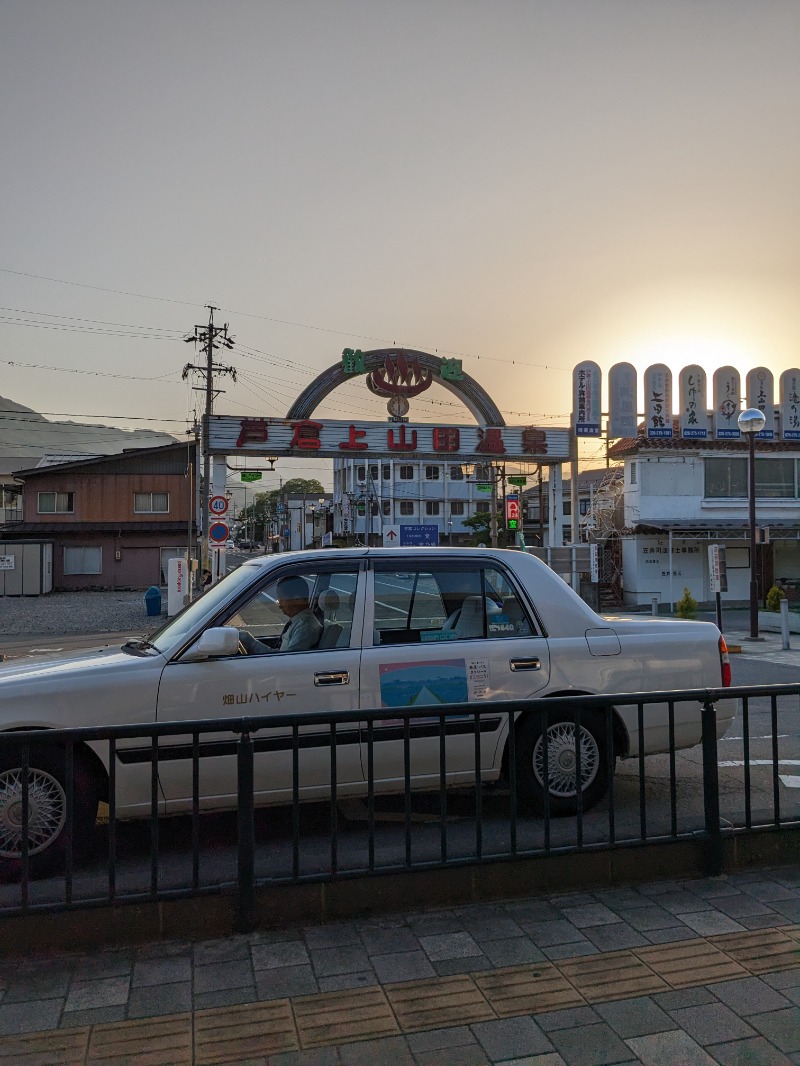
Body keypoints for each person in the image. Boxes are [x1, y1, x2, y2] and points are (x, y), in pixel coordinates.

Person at [239, 575, 322, 654]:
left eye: (281, 600)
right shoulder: (299, 622)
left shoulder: (305, 626)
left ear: (297, 600)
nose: (279, 606)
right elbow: (282, 655)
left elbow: (286, 660)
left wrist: (252, 643)